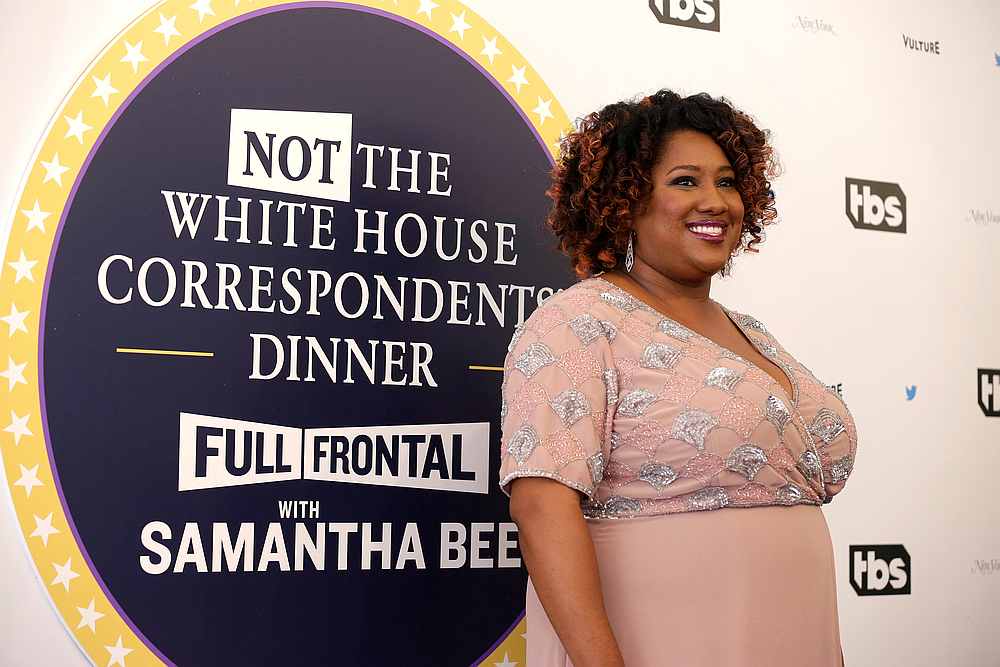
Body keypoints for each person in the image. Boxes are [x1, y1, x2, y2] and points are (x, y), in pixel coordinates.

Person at [498, 90, 857, 666]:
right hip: (660, 641)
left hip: (795, 635)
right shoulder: (577, 322)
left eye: (728, 182)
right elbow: (542, 507)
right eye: (685, 181)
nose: (714, 201)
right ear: (625, 200)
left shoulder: (754, 333)